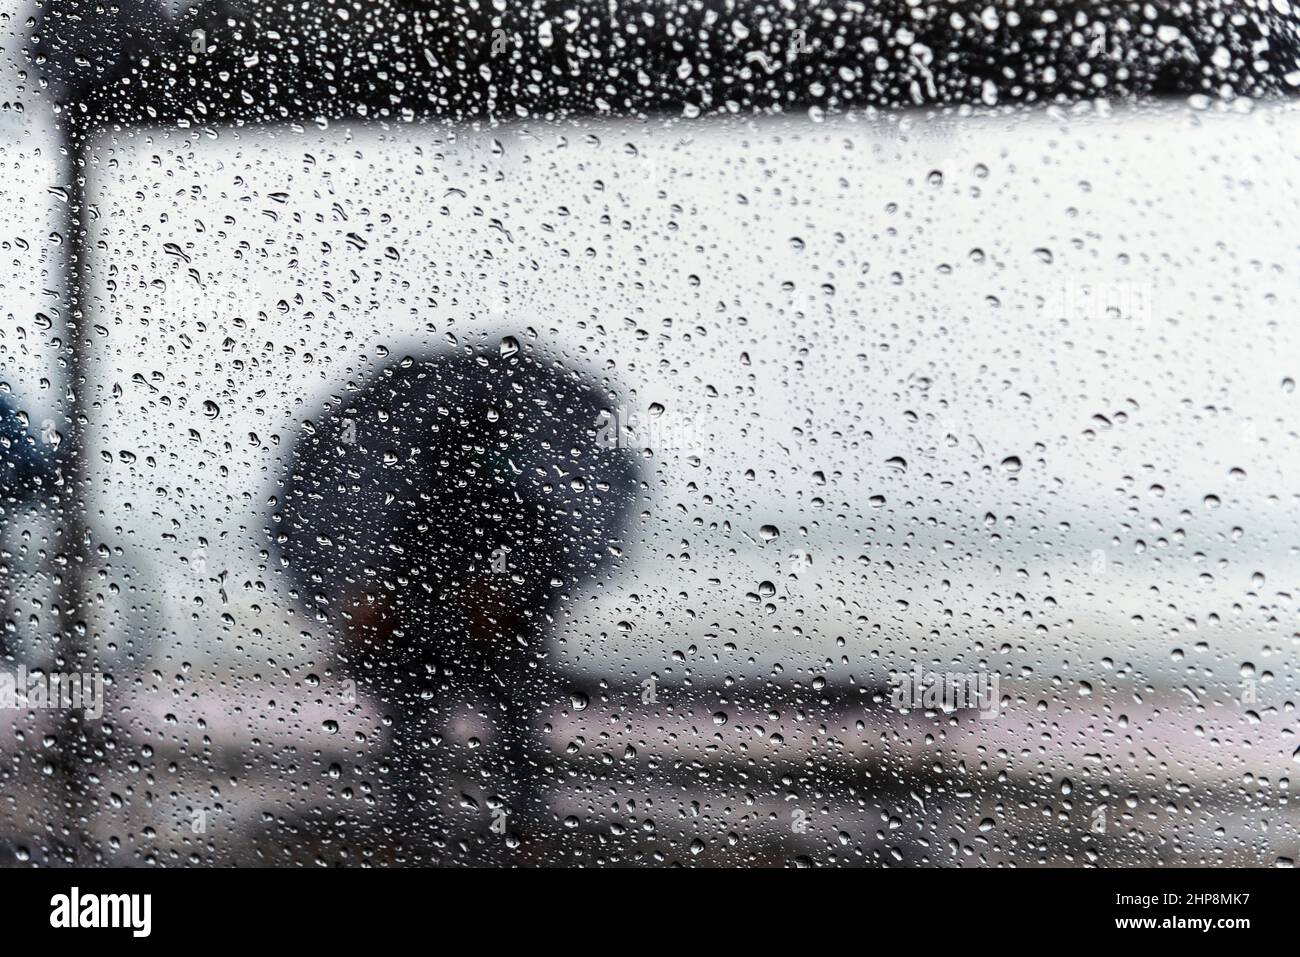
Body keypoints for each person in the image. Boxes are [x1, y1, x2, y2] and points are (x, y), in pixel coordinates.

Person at [271, 338, 641, 852]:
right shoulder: (445, 512)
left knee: (493, 731)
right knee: (430, 732)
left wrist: (506, 602)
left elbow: (538, 575)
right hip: (437, 647)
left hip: (485, 646)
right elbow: (405, 575)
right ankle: (434, 823)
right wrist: (381, 611)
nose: (467, 463)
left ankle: (489, 824)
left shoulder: (491, 511)